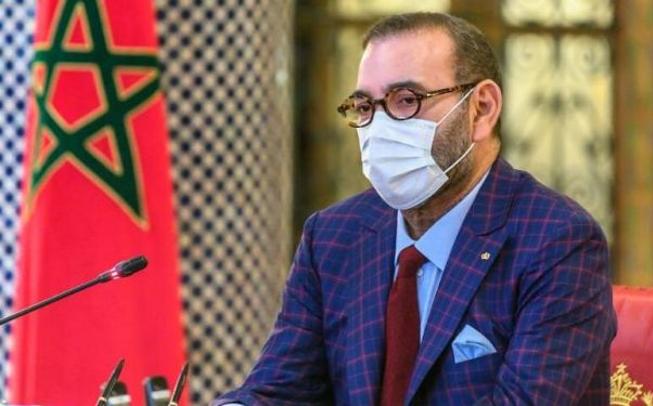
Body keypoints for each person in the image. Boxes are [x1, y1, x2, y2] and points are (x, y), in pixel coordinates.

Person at [215, 12, 616, 406]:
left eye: (406, 100)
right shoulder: (333, 237)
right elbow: (279, 390)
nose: (379, 127)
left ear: (482, 109)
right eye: (364, 107)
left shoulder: (557, 242)